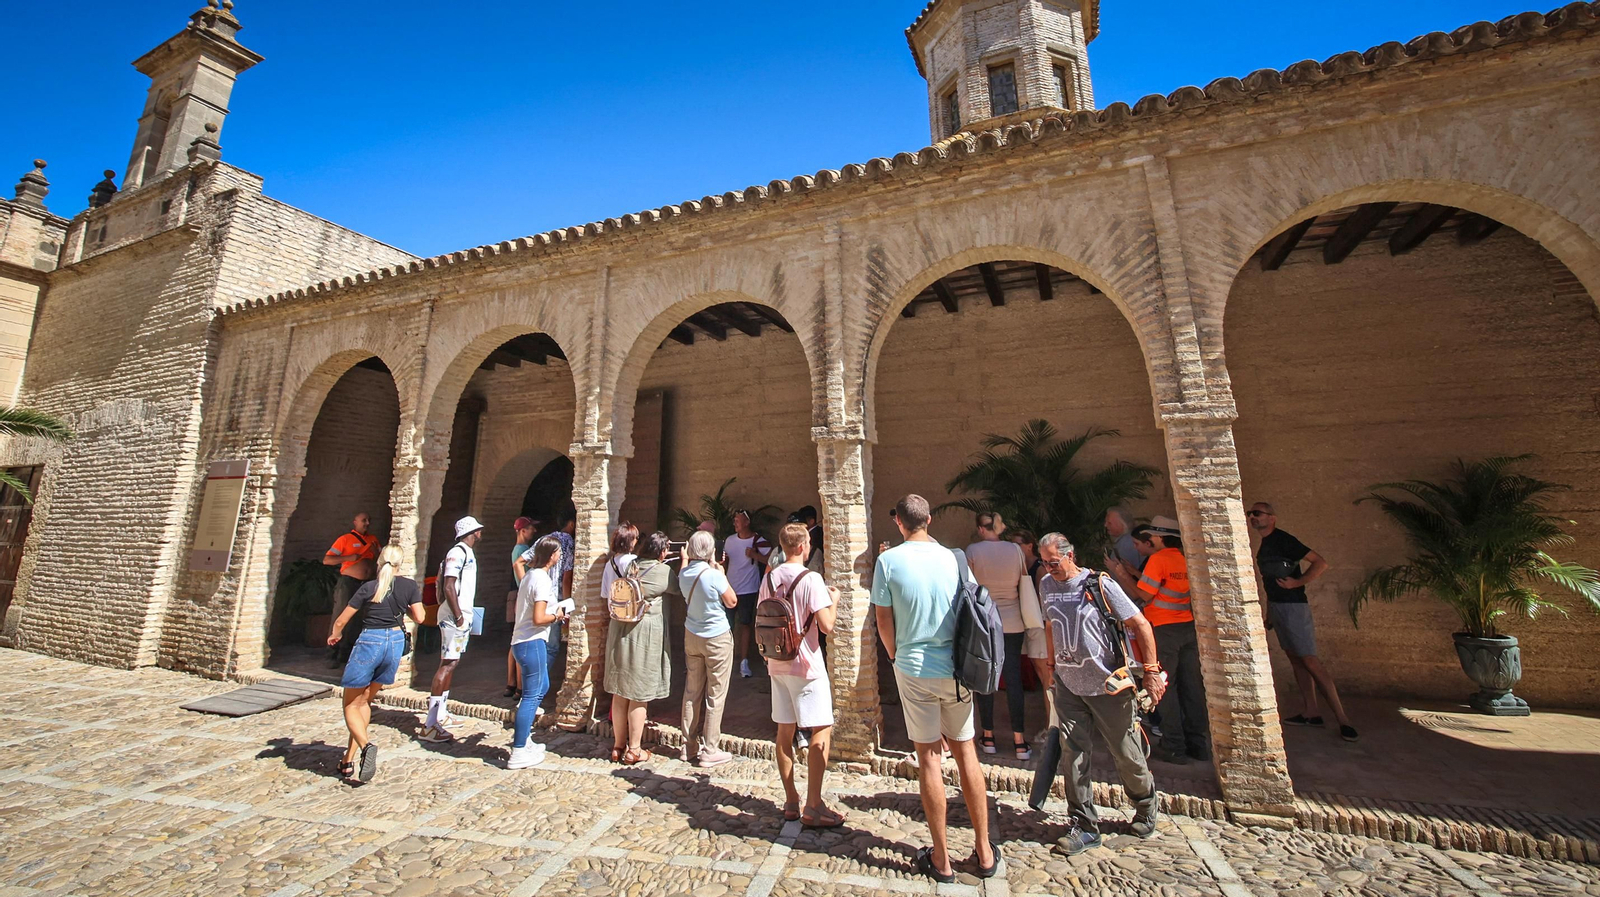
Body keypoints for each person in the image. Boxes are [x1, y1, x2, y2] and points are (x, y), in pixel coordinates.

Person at [872, 494, 997, 882]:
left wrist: (895, 657)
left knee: (928, 758)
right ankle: (984, 849)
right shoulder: (954, 558)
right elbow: (974, 608)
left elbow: (883, 619)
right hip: (956, 670)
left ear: (899, 523)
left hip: (913, 668)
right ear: (930, 519)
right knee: (966, 753)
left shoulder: (888, 561)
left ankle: (941, 858)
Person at [1037, 532, 1166, 853]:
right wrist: (1052, 669)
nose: (1049, 568)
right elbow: (1050, 625)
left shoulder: (1098, 585)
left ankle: (1146, 803)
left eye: (1053, 562)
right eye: (1043, 562)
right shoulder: (1046, 586)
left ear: (1071, 556)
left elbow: (1141, 625)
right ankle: (1083, 824)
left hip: (1109, 686)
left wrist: (1151, 672)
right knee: (1073, 754)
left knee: (1126, 752)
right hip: (1068, 685)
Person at [1248, 502, 1357, 742]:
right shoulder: (1266, 544)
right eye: (1250, 514)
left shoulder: (1285, 540)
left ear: (1272, 518)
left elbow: (1320, 562)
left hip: (1294, 607)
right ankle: (1311, 712)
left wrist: (1297, 583)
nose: (1252, 517)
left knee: (1310, 660)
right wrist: (1269, 613)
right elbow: (1270, 582)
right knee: (1296, 660)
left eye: (1257, 513)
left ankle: (1343, 719)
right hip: (1278, 608)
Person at [1106, 515, 1209, 764]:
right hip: (1186, 626)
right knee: (1191, 686)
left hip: (1162, 629)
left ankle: (1174, 745)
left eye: (1151, 535)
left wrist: (1119, 573)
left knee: (1164, 687)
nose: (1147, 539)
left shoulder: (1159, 559)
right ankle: (1198, 744)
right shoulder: (1185, 557)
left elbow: (1143, 594)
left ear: (1160, 537)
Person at [761, 522, 843, 826]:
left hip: (776, 663)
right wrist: (832, 601)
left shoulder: (768, 580)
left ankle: (791, 800)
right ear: (802, 547)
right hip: (806, 666)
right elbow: (827, 625)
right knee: (821, 729)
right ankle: (814, 804)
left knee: (784, 731)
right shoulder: (811, 579)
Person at [327, 545, 424, 784]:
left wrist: (335, 635)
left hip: (371, 641)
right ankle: (348, 760)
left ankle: (366, 745)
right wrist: (404, 609)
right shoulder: (409, 586)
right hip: (394, 643)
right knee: (364, 701)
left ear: (379, 562)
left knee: (350, 704)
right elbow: (420, 617)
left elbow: (342, 619)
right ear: (401, 563)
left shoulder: (368, 587)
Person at [966, 512, 1033, 760]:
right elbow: (1022, 579)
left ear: (981, 529)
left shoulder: (973, 550)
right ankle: (1019, 740)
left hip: (985, 619)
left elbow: (969, 586)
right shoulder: (1015, 550)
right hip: (1013, 619)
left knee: (985, 678)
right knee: (1013, 677)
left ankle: (989, 735)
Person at [605, 531, 674, 765]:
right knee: (638, 694)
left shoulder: (630, 566)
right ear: (662, 552)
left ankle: (617, 745)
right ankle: (634, 749)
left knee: (620, 691)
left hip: (619, 631)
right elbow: (679, 588)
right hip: (643, 635)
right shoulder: (663, 571)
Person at [420, 516, 483, 743]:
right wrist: (457, 616)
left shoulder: (466, 552)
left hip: (461, 616)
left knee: (452, 662)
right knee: (447, 663)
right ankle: (430, 724)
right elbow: (448, 584)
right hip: (453, 617)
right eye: (478, 530)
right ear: (472, 532)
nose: (480, 533)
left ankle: (441, 714)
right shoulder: (457, 553)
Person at [507, 534, 568, 769]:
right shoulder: (541, 579)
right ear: (552, 556)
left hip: (524, 641)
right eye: (559, 552)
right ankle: (519, 750)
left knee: (540, 687)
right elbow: (539, 617)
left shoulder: (530, 576)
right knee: (531, 696)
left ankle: (526, 739)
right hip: (531, 640)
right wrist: (558, 616)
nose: (560, 556)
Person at [678, 529, 738, 768]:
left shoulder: (684, 574)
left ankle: (688, 745)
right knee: (715, 693)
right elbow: (732, 601)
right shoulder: (714, 575)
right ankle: (710, 749)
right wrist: (721, 572)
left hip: (692, 634)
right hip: (716, 636)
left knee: (692, 691)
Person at [323, 513, 380, 667]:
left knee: (358, 619)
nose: (367, 523)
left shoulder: (373, 540)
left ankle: (347, 653)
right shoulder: (345, 539)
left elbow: (380, 559)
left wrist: (377, 555)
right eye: (363, 520)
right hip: (349, 582)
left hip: (367, 583)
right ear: (355, 522)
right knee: (341, 615)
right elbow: (327, 560)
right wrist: (348, 558)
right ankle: (332, 654)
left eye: (369, 520)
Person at [724, 510, 771, 679]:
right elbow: (725, 560)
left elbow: (772, 560)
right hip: (729, 589)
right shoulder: (729, 540)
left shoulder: (758, 541)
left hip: (749, 589)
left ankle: (744, 662)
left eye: (738, 520)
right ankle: (726, 660)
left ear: (746, 522)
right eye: (734, 520)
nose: (735, 523)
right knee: (726, 626)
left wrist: (755, 555)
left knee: (745, 625)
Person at [506, 516, 538, 699]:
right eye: (531, 528)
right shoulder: (524, 550)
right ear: (522, 530)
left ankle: (511, 683)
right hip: (523, 597)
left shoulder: (517, 549)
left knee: (514, 641)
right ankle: (520, 686)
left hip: (517, 595)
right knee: (522, 642)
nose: (533, 531)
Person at [1105, 507, 1144, 572]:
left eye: (1109, 523)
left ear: (1122, 524)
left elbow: (1127, 573)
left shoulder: (1127, 542)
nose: (1105, 525)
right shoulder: (1125, 540)